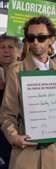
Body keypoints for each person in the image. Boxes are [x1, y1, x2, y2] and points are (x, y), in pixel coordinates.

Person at [0, 16, 56, 169]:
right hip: (26, 154)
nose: (35, 42)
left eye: (41, 37)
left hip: (55, 155)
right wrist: (14, 136)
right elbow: (7, 114)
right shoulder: (16, 71)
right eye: (31, 38)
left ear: (51, 39)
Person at [0, 33, 22, 169]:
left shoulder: (26, 73)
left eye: (10, 47)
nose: (6, 50)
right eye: (2, 47)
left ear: (19, 51)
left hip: (18, 135)